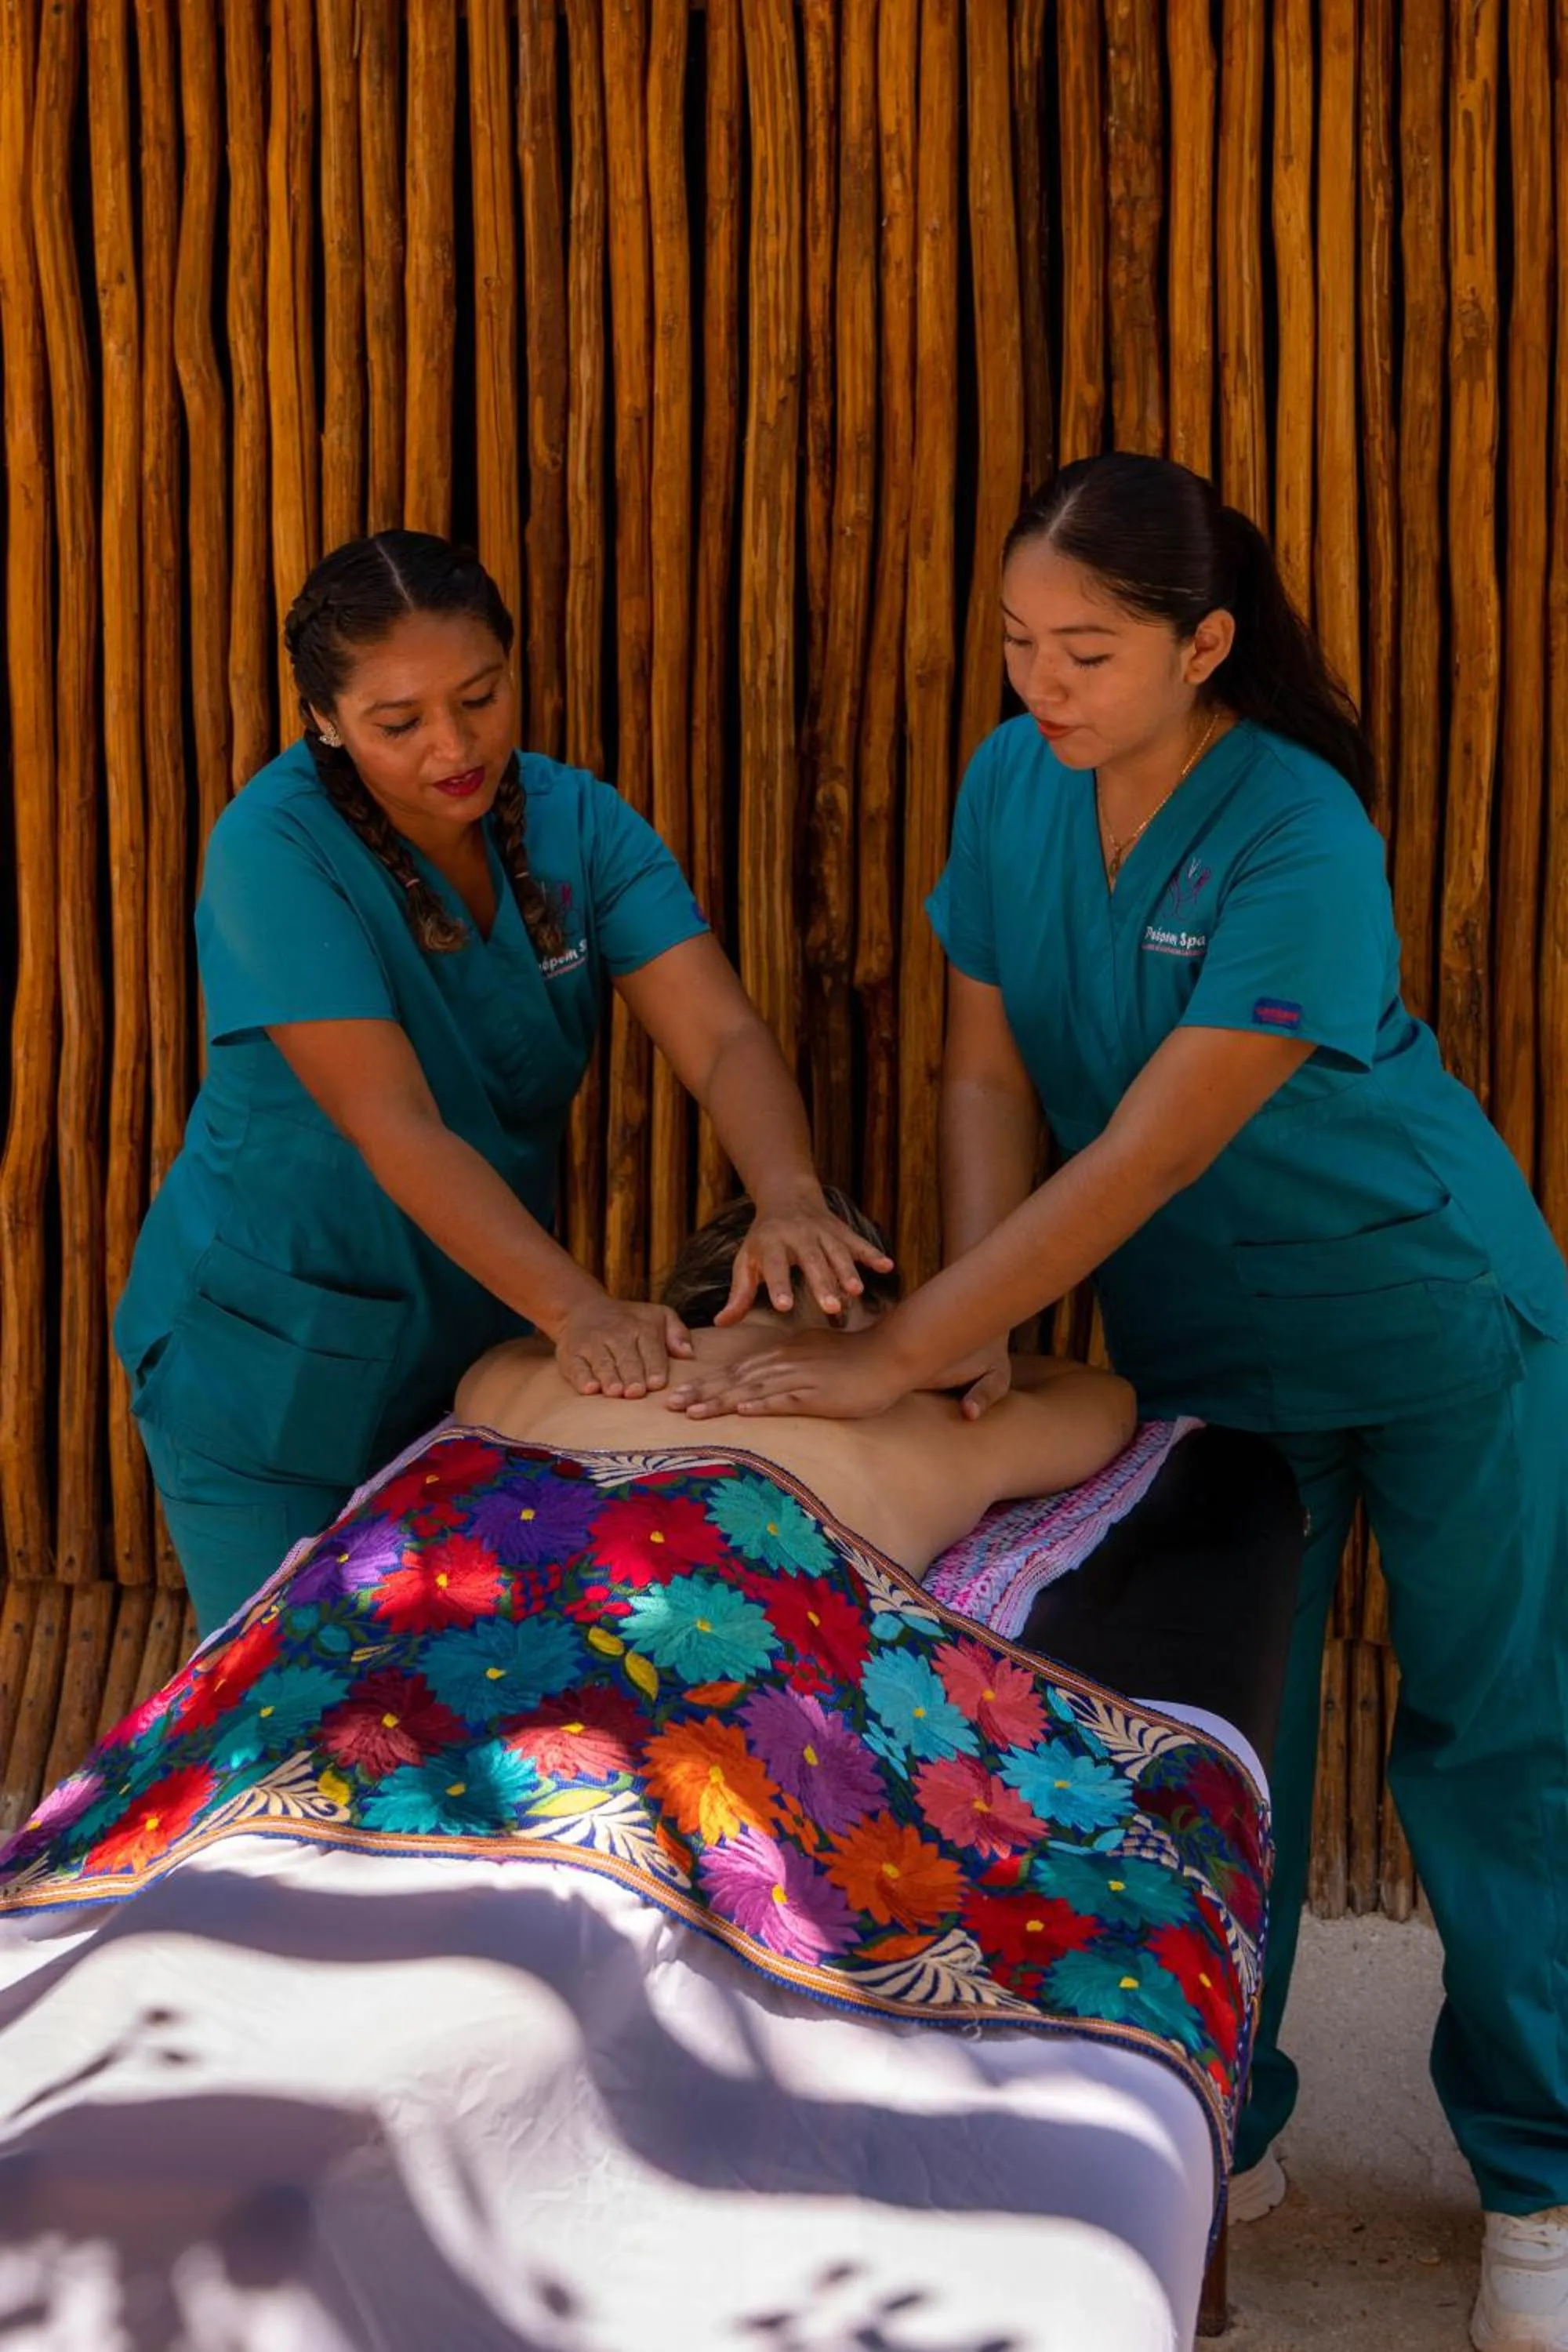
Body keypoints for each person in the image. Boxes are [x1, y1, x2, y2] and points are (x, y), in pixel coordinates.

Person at [665, 453, 1568, 2351]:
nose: (1043, 684)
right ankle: (1224, 2130)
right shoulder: (1015, 784)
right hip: (1201, 1344)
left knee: (1493, 1735)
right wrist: (981, 1331)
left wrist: (901, 1352)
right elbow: (985, 1075)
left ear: (1202, 646)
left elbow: (1158, 1142)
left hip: (1418, 1311)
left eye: (1087, 650)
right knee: (1211, 1749)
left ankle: (1541, 2181)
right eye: (1019, 643)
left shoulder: (1296, 826)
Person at [5, 1196, 1283, 2352]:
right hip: (707, 1634)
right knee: (604, 1883)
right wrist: (939, 1352)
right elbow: (1104, 1404)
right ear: (871, 1310)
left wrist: (638, 1338)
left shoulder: (552, 1378)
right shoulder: (928, 1414)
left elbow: (487, 1376)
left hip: (476, 1638)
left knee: (374, 1830)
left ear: (682, 1302)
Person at [114, 531, 887, 1639]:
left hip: (474, 1339)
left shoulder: (579, 824)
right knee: (293, 1688)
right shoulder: (273, 849)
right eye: (398, 724)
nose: (454, 745)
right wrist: (576, 1308)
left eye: (480, 697)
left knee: (452, 1682)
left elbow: (720, 1035)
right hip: (269, 1360)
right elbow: (395, 1123)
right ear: (325, 721)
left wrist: (790, 1193)